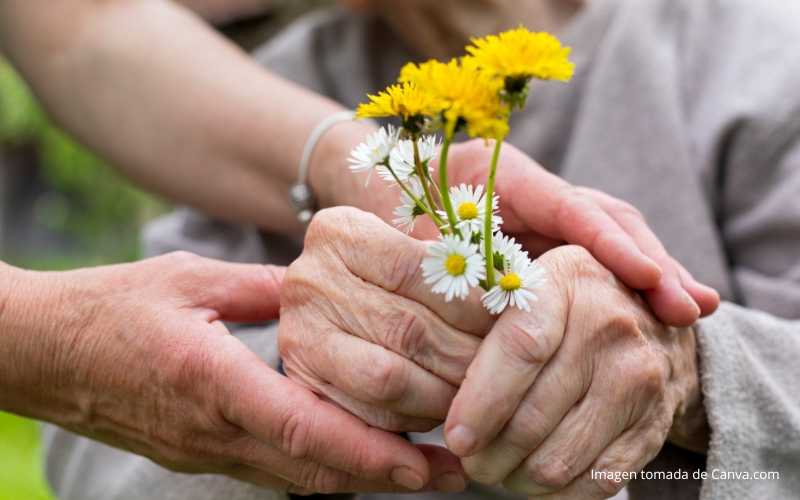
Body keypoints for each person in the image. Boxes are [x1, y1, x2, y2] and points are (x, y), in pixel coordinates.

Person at [49, 0, 799, 498]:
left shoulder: (756, 54)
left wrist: (692, 373)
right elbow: (94, 454)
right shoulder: (264, 95)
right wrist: (311, 388)